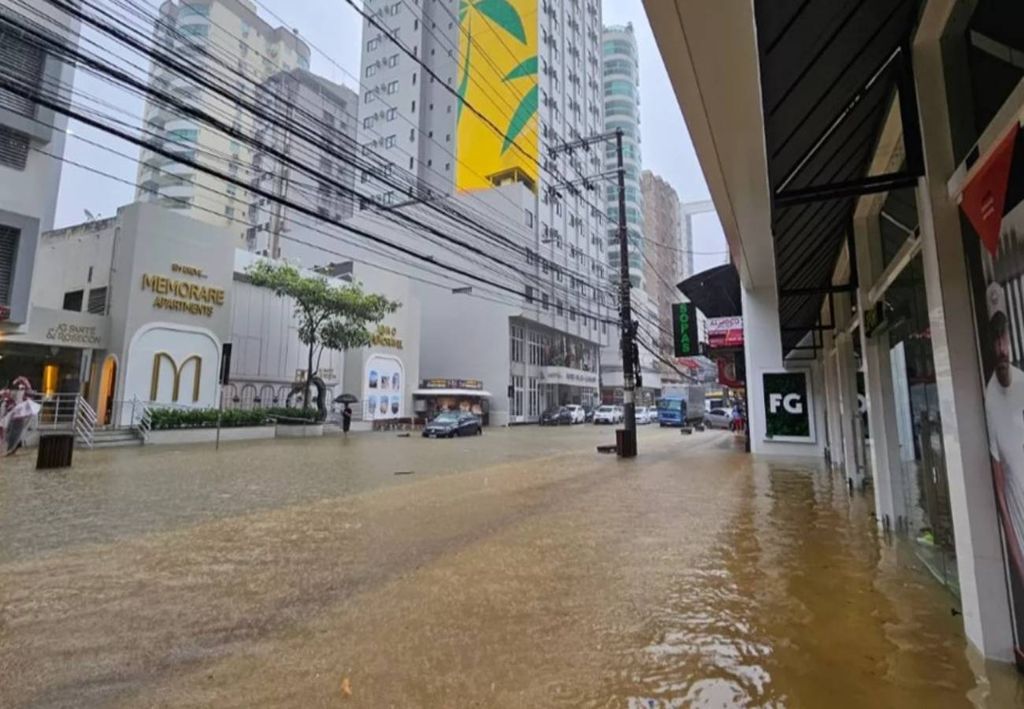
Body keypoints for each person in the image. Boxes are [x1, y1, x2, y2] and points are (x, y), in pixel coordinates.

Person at [983, 282, 1024, 580]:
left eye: (1004, 337)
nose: (1001, 347)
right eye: (995, 340)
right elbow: (999, 486)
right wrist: (1016, 553)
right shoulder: (989, 400)